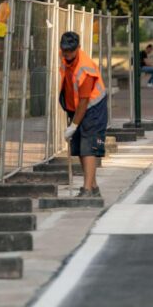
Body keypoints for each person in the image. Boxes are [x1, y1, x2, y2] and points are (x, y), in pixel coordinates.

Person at [59, 31, 108, 198]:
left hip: (92, 108)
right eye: (64, 50)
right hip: (76, 108)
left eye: (70, 50)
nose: (67, 53)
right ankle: (93, 187)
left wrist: (73, 125)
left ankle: (87, 190)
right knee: (80, 148)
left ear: (78, 48)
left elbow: (84, 101)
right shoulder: (64, 57)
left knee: (88, 147)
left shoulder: (85, 68)